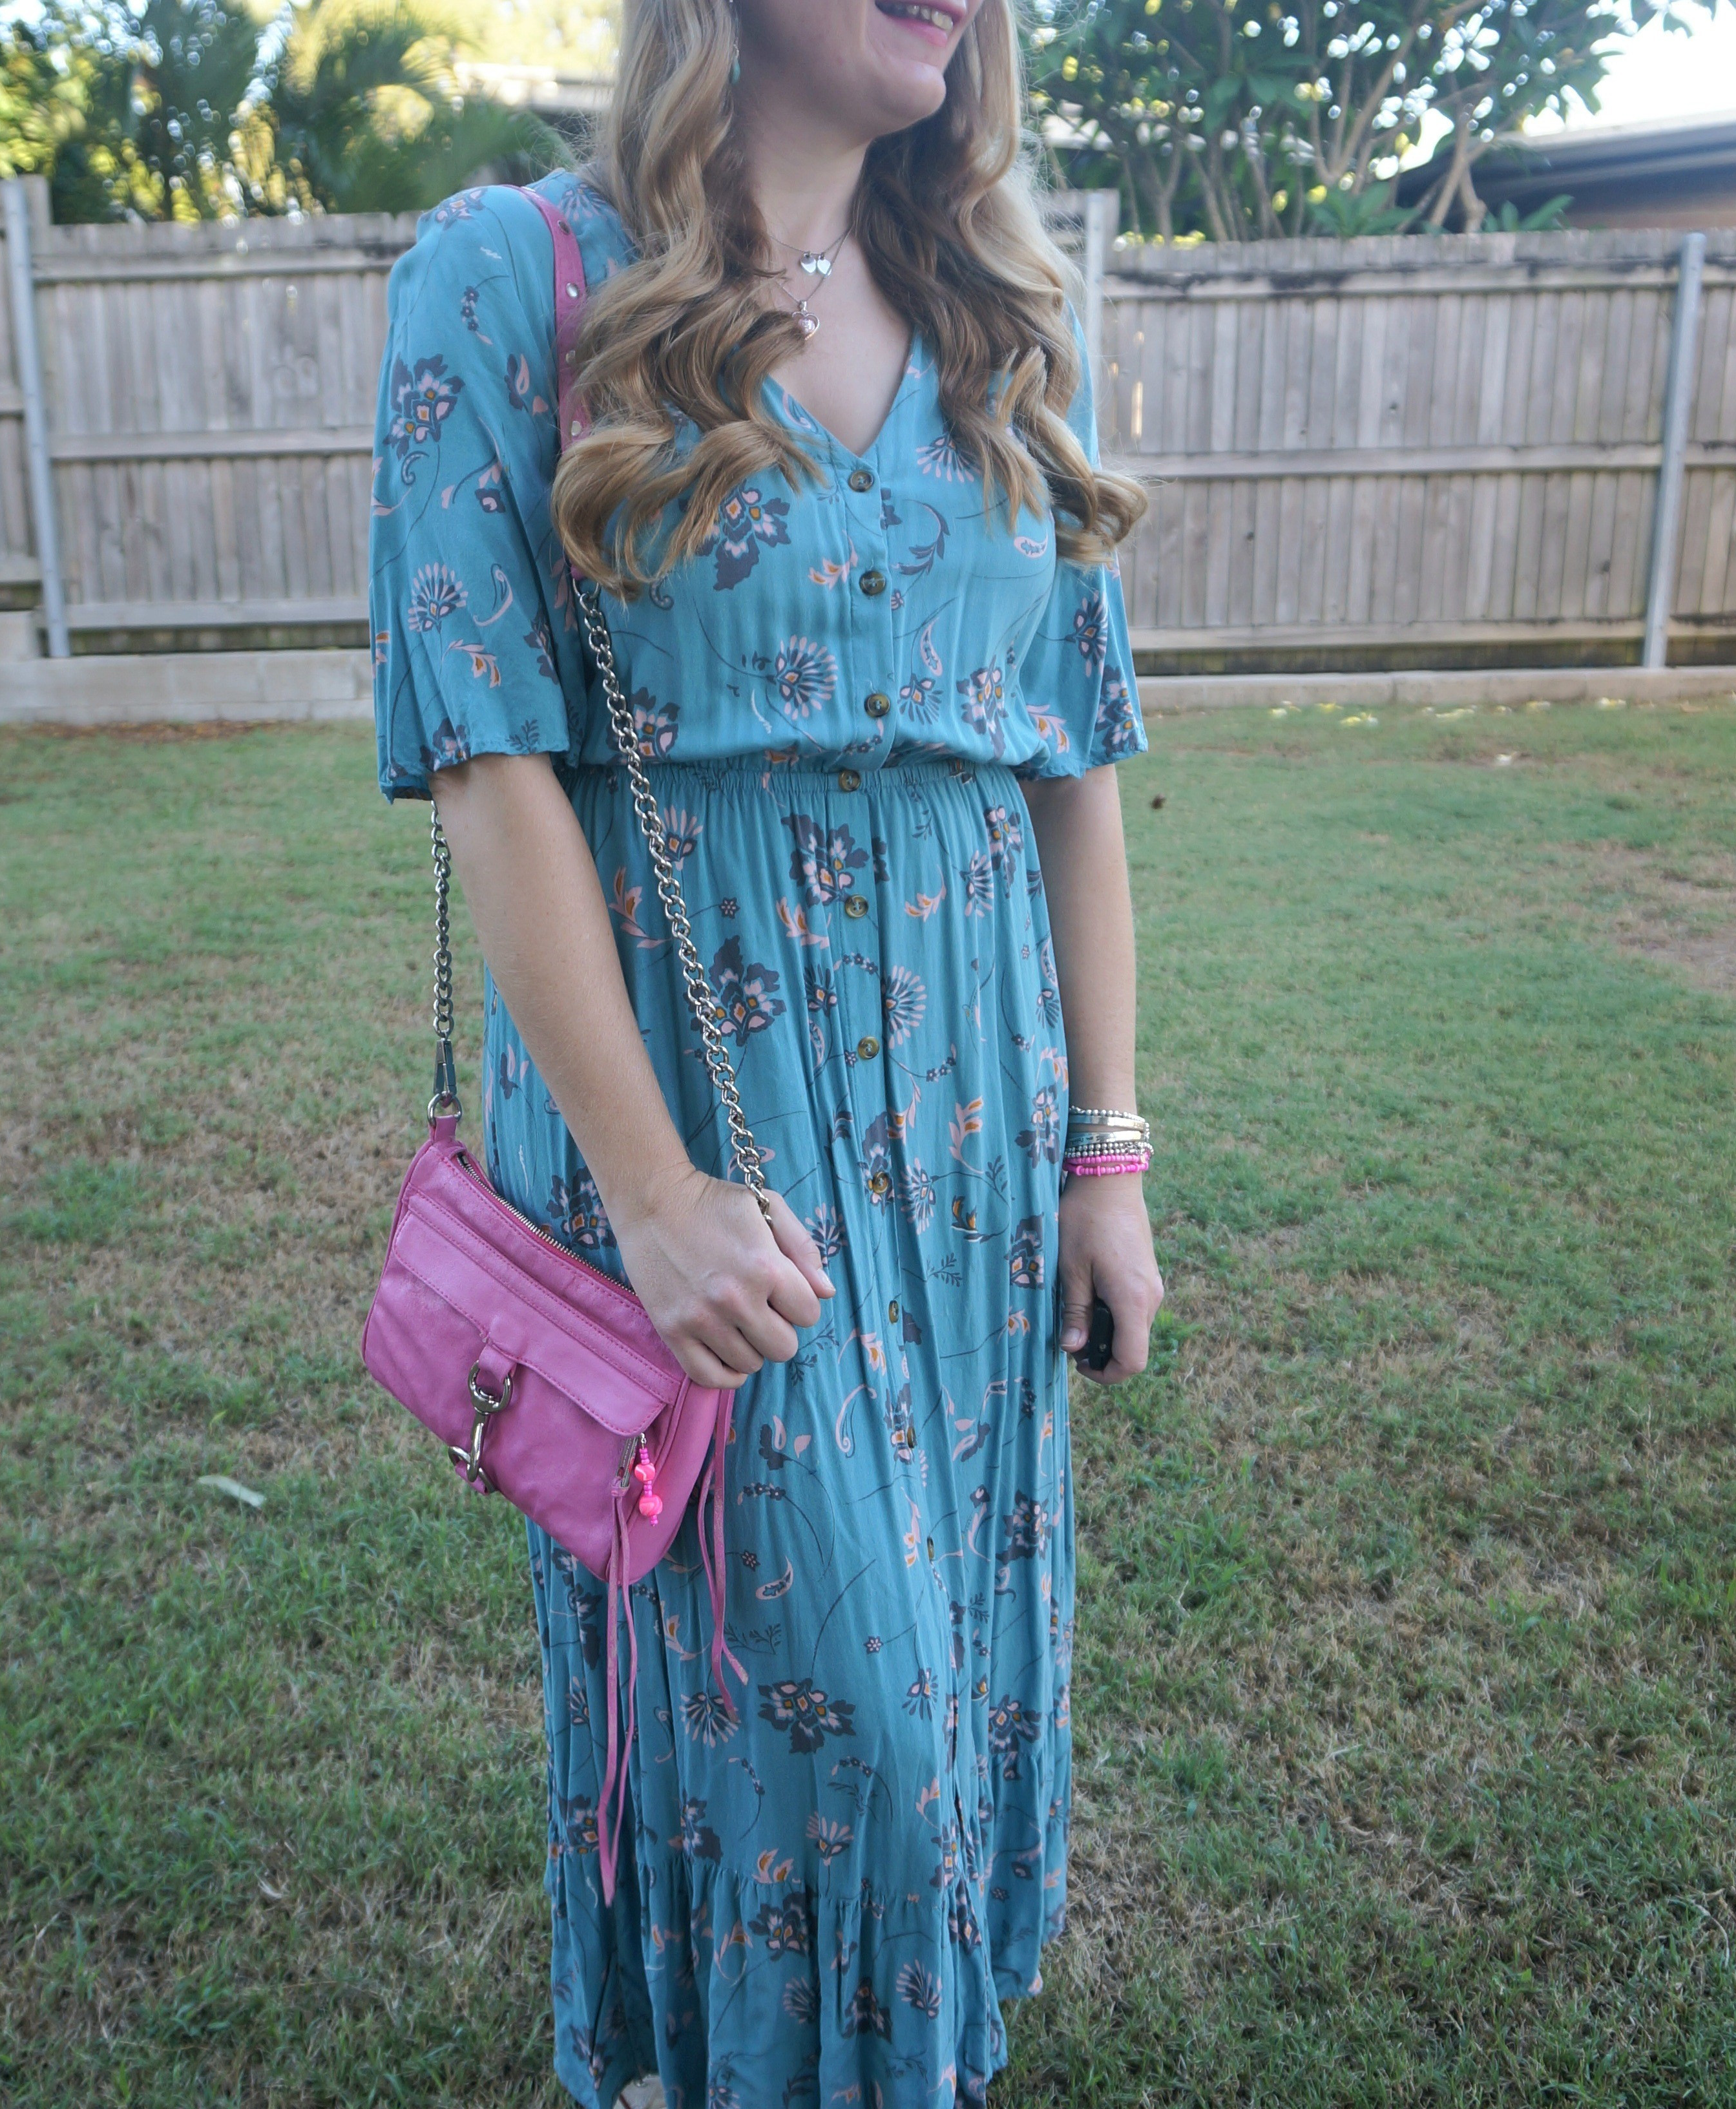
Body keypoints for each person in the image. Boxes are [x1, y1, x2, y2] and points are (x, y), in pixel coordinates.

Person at [368, 0, 1164, 2097]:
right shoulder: (515, 276)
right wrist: (651, 1199)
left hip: (975, 1134)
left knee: (950, 1700)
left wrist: (1109, 1156)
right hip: (709, 1128)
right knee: (845, 1738)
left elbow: (1072, 768)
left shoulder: (990, 321)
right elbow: (489, 755)